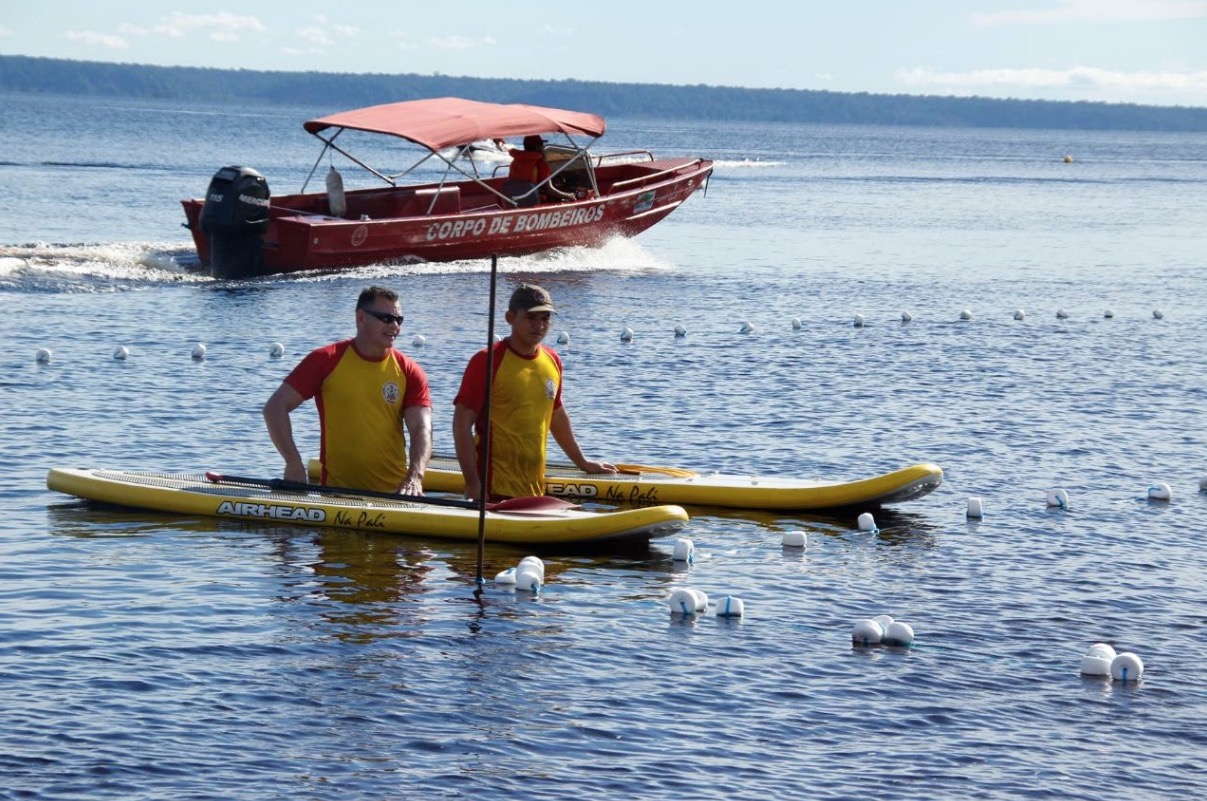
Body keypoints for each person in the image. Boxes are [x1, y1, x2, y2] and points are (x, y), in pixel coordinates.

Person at [452, 283, 614, 502]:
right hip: (492, 489)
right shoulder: (487, 360)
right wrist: (472, 483)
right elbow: (462, 424)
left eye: (545, 318)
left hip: (533, 488)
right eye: (531, 317)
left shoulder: (552, 359)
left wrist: (582, 462)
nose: (539, 325)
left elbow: (555, 415)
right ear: (510, 317)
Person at [263, 286, 432, 495]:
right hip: (337, 495)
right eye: (386, 318)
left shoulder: (410, 371)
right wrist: (293, 461)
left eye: (399, 320)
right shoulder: (326, 360)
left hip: (394, 495)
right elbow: (274, 407)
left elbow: (421, 429)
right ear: (361, 318)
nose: (395, 326)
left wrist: (415, 477)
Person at [506, 134, 574, 204]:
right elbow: (549, 190)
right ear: (537, 147)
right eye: (541, 144)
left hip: (513, 201)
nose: (543, 147)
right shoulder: (540, 164)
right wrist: (569, 195)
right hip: (533, 202)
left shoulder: (516, 160)